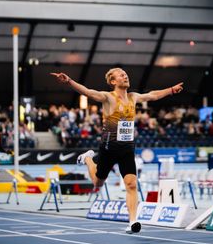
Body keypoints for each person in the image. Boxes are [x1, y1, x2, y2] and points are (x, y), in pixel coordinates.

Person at [51, 68, 183, 234]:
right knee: (97, 183)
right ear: (113, 81)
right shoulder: (107, 97)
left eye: (126, 74)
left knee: (131, 184)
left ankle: (133, 221)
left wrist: (171, 90)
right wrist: (69, 81)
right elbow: (88, 92)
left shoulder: (133, 97)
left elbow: (153, 95)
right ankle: (88, 159)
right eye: (121, 75)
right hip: (108, 147)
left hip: (127, 148)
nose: (125, 75)